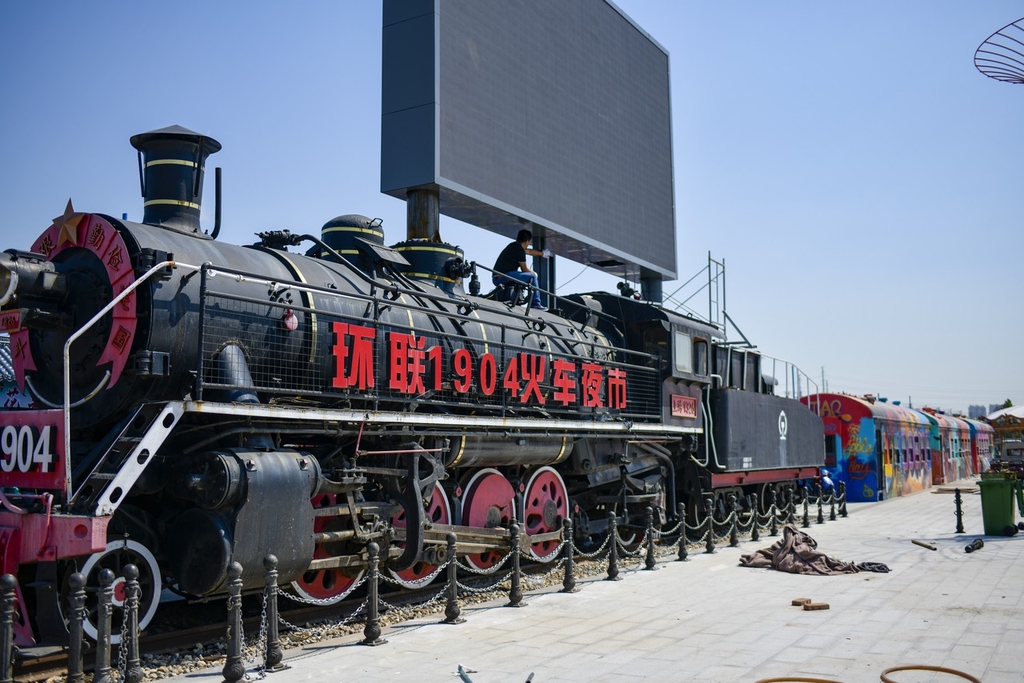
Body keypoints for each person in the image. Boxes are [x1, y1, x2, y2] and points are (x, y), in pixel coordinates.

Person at [492, 229, 550, 310]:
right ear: (527, 241)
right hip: (504, 276)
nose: (529, 244)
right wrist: (534, 274)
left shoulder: (513, 246)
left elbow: (529, 251)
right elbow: (524, 269)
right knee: (532, 277)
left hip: (498, 277)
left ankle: (513, 297)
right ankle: (536, 304)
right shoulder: (519, 250)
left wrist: (542, 253)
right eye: (529, 242)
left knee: (522, 276)